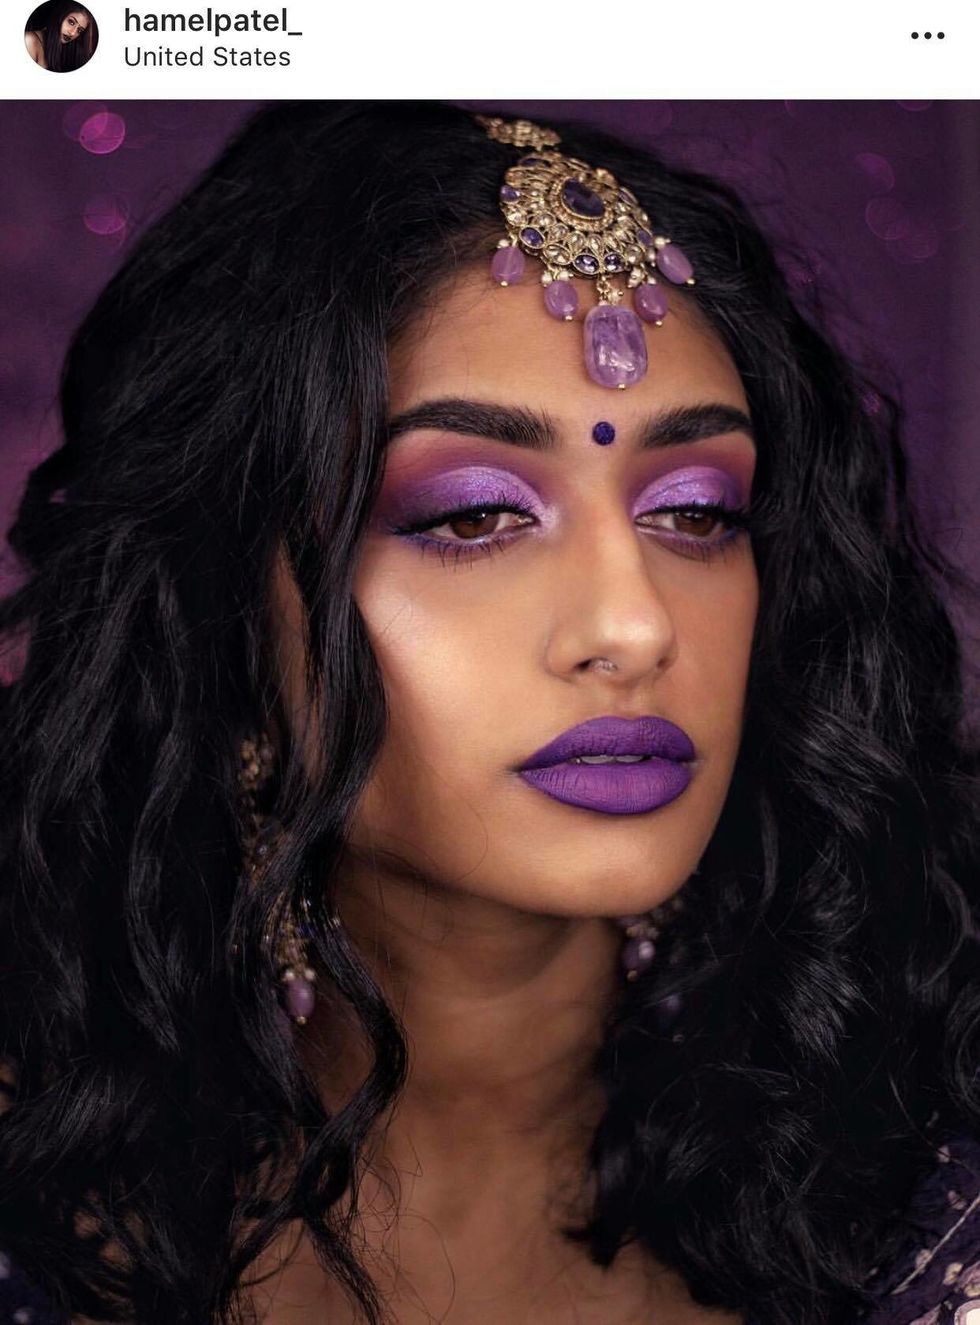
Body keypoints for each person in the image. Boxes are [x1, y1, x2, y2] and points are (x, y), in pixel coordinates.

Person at [0, 100, 978, 1325]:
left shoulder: (932, 1185)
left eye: (694, 511)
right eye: (472, 514)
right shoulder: (37, 1199)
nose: (634, 624)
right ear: (222, 610)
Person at [24, 0, 97, 72]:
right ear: (59, 15)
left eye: (79, 30)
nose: (72, 33)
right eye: (71, 22)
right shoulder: (29, 41)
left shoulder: (65, 50)